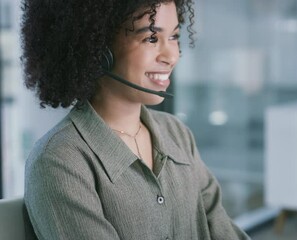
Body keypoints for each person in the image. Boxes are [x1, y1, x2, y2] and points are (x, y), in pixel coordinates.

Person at [21, 0, 250, 239]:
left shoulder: (176, 134)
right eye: (151, 38)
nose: (172, 56)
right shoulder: (59, 161)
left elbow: (222, 229)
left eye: (174, 37)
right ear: (99, 50)